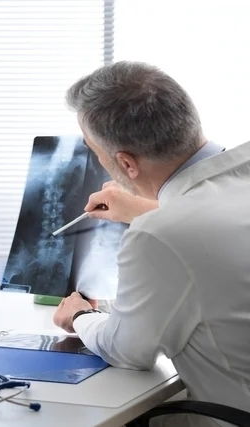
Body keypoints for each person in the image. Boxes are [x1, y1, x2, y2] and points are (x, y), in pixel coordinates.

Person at [53, 61, 250, 415]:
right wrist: (151, 209)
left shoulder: (160, 235)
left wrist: (81, 316)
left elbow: (128, 351)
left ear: (127, 164)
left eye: (94, 150)